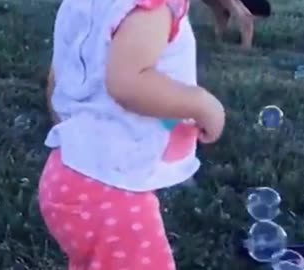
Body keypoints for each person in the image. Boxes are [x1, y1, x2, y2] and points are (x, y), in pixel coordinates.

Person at [38, 0, 226, 269]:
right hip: (109, 191)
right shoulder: (152, 6)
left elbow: (56, 81)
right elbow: (128, 83)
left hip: (71, 171)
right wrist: (203, 104)